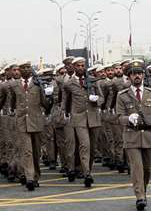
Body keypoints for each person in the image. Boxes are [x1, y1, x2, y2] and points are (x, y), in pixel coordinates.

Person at [116, 61, 151, 211]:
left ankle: (143, 191)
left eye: (139, 73)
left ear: (143, 75)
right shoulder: (122, 95)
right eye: (133, 74)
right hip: (131, 136)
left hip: (148, 136)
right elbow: (119, 117)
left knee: (147, 169)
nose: (137, 76)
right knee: (137, 168)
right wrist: (128, 118)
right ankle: (140, 196)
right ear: (129, 76)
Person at [0, 61, 54, 190]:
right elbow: (13, 101)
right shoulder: (14, 85)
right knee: (27, 151)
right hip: (22, 122)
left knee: (36, 151)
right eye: (23, 68)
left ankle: (36, 175)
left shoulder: (37, 84)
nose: (25, 70)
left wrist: (50, 98)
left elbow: (45, 104)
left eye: (28, 67)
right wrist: (13, 111)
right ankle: (29, 177)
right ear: (19, 70)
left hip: (36, 122)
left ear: (30, 69)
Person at [63, 57, 104, 187]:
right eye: (78, 66)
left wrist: (97, 100)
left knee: (92, 147)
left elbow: (102, 98)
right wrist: (66, 113)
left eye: (82, 65)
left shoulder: (92, 80)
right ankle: (87, 173)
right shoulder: (69, 84)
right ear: (74, 67)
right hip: (79, 118)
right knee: (84, 145)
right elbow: (66, 100)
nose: (81, 68)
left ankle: (88, 169)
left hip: (93, 117)